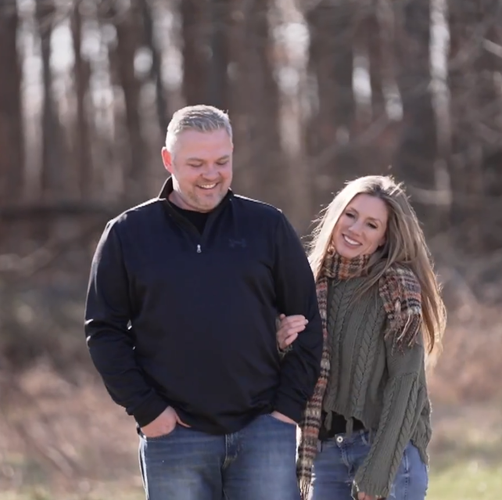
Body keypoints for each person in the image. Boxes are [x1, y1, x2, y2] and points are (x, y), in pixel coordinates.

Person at [84, 104, 323, 500]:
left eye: (222, 161)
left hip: (263, 430)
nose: (212, 175)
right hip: (174, 436)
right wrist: (149, 412)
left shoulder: (267, 226)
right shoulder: (128, 235)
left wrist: (284, 412)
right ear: (168, 160)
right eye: (196, 163)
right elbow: (104, 332)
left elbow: (308, 321)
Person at [276, 175, 447, 500]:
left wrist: (379, 471)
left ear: (384, 238)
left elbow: (405, 382)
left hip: (385, 452)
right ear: (336, 214)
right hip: (323, 454)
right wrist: (282, 344)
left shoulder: (396, 287)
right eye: (350, 215)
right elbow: (298, 377)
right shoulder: (310, 285)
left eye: (371, 225)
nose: (355, 229)